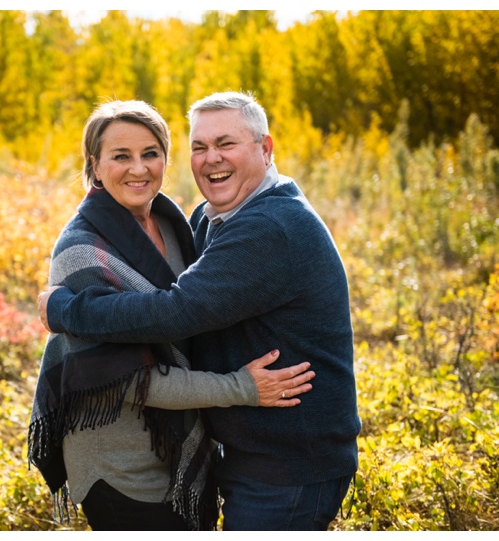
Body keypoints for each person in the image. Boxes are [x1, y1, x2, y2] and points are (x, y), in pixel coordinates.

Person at [39, 92, 361, 531]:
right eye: (200, 146)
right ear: (94, 165)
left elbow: (176, 312)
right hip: (228, 456)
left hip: (289, 464)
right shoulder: (207, 220)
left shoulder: (268, 227)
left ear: (265, 150)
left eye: (226, 144)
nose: (212, 159)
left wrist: (64, 309)